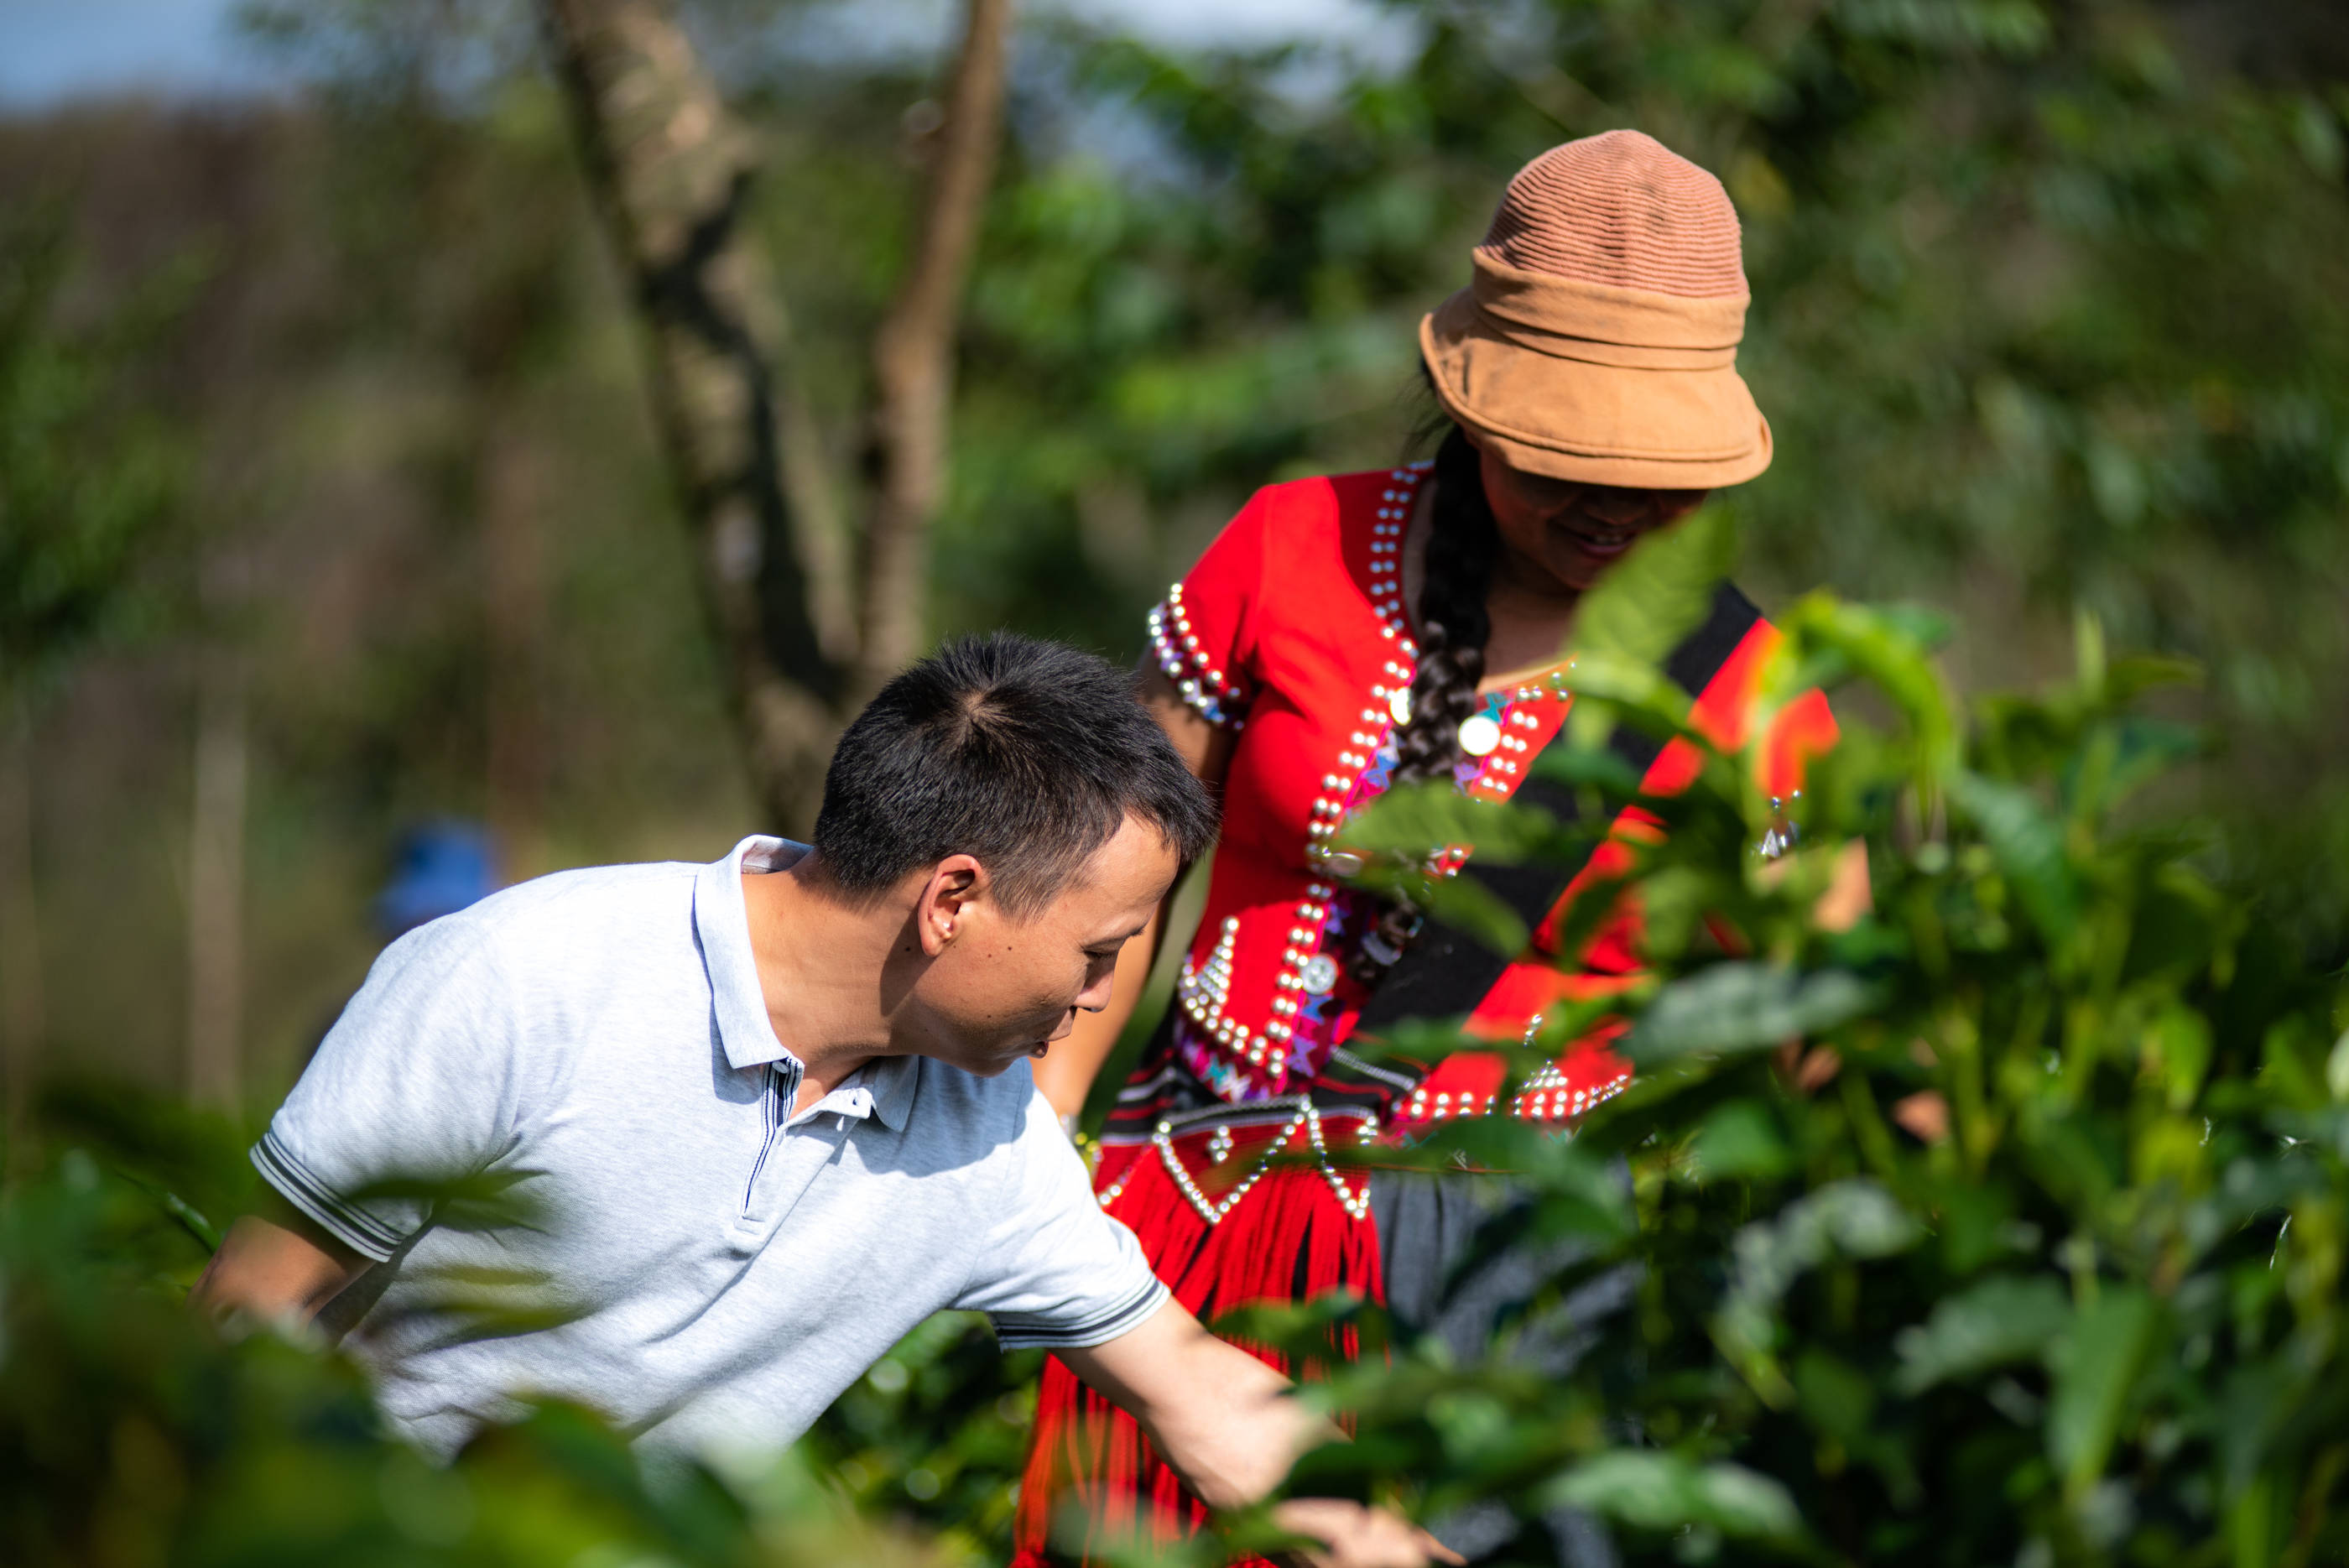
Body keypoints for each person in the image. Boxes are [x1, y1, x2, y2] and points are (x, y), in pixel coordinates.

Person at [1015, 131, 1866, 1566]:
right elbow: (1114, 882)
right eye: (1560, 464)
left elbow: (1828, 1034)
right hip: (1189, 1220)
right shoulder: (1289, 551)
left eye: (1656, 478)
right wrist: (1030, 1177)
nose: (1609, 508)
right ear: (1469, 408)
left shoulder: (1755, 703)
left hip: (1516, 1277)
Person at [194, 633, 1450, 1568]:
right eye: (1102, 949)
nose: (1101, 1000)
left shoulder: (990, 1137)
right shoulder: (522, 981)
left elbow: (1201, 1394)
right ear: (953, 899)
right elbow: (244, 1319)